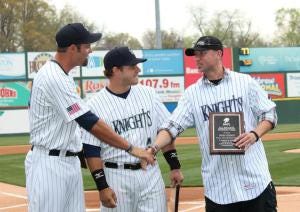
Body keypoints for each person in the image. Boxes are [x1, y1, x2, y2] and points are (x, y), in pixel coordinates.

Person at [24, 23, 154, 212]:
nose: (90, 50)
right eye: (86, 46)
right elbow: (89, 122)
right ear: (72, 48)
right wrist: (132, 148)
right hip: (50, 164)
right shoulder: (53, 77)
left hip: (67, 162)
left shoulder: (63, 75)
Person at [149, 36, 278, 212]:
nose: (197, 58)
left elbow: (269, 114)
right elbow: (172, 126)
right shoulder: (192, 94)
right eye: (195, 54)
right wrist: (154, 148)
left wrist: (254, 135)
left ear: (219, 53)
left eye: (202, 53)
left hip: (255, 183)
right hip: (218, 189)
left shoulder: (245, 82)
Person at [81, 46, 184, 212]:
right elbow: (91, 150)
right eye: (132, 66)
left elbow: (165, 131)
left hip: (150, 172)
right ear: (116, 70)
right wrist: (102, 186)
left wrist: (174, 166)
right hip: (116, 176)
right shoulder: (94, 105)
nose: (138, 69)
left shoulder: (149, 94)